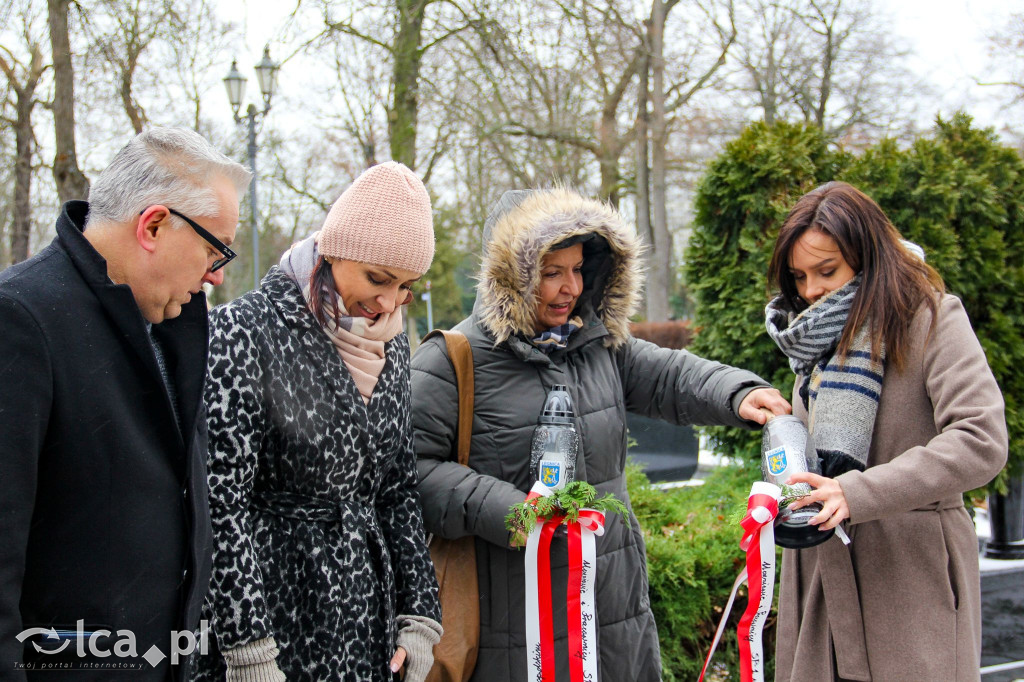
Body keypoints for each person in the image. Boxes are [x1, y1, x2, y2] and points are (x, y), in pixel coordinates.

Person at [411, 187, 790, 681]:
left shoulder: (598, 345)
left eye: (577, 270)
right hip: (512, 619)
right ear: (510, 275)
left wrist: (737, 393)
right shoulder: (450, 360)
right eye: (551, 273)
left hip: (611, 608)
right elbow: (414, 472)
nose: (570, 287)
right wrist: (515, 512)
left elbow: (673, 377)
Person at [0, 127, 250, 681]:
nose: (216, 273)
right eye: (214, 248)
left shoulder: (167, 323)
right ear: (154, 224)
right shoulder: (21, 320)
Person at [195, 162, 442, 682]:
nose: (387, 303)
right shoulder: (242, 332)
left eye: (405, 287)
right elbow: (221, 503)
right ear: (331, 250)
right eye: (377, 278)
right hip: (277, 620)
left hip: (368, 622)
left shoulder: (393, 342)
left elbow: (397, 488)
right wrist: (247, 648)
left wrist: (419, 618)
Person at [764, 181, 1008, 681]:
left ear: (867, 254)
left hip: (910, 581)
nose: (811, 291)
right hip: (821, 586)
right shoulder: (815, 340)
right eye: (800, 276)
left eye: (826, 270)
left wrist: (857, 493)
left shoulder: (932, 316)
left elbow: (981, 438)